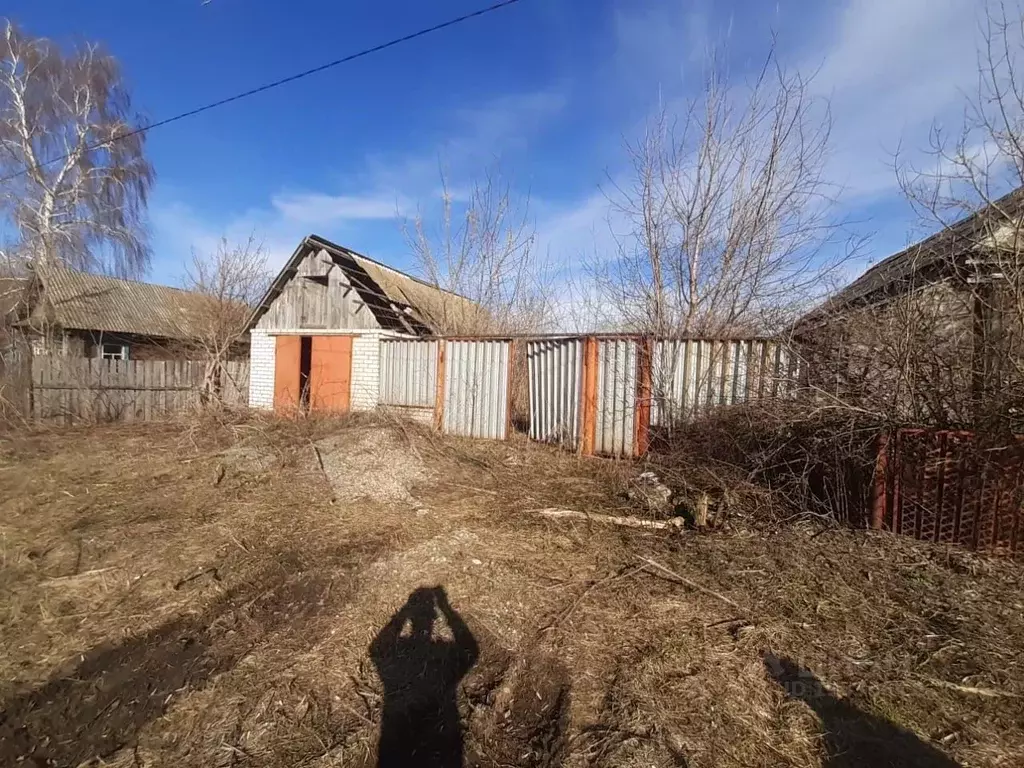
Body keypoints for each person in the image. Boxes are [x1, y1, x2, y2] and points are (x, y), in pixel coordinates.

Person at [370, 586, 479, 768]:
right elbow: (471, 651)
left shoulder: (398, 662)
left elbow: (376, 649)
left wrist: (405, 610)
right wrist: (445, 607)